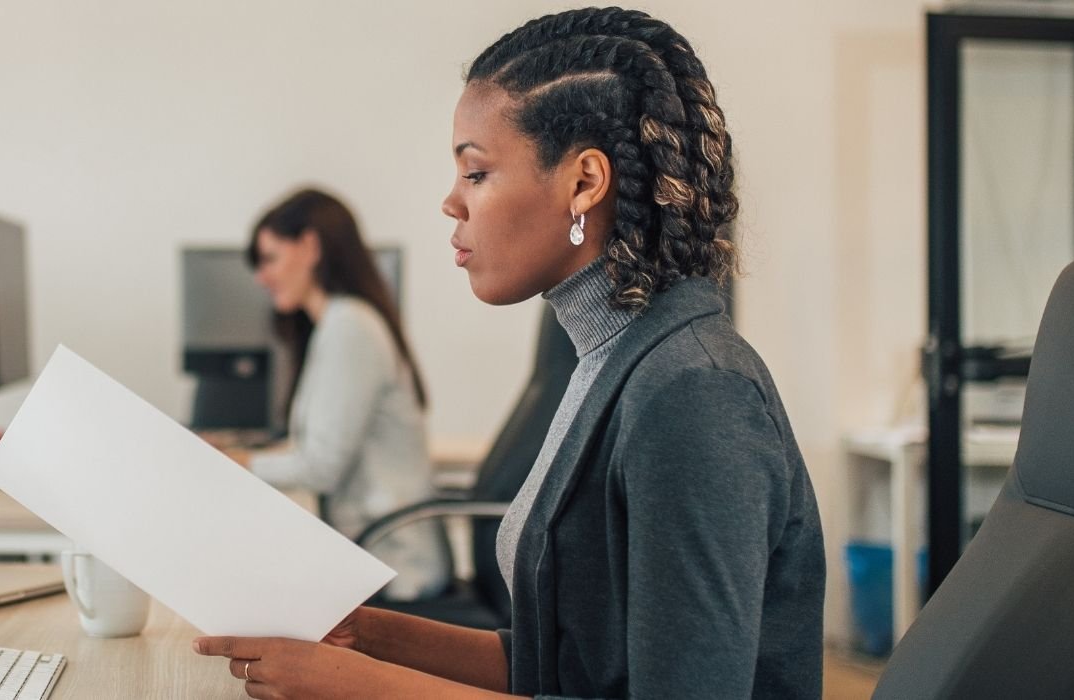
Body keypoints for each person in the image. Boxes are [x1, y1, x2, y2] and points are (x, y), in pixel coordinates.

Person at [195, 8, 825, 699]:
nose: (450, 203)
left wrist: (359, 687)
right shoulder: (613, 361)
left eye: (476, 173)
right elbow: (571, 669)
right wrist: (369, 636)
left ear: (584, 183)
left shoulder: (694, 391)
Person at [242, 187, 451, 602]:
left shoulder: (350, 326)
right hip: (368, 552)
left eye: (270, 259)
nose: (261, 278)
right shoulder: (337, 324)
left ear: (309, 246)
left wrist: (239, 463)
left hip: (393, 567)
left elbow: (321, 468)